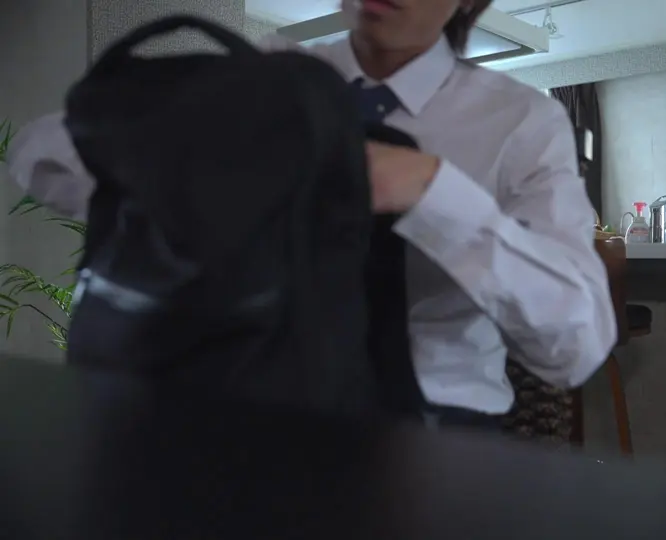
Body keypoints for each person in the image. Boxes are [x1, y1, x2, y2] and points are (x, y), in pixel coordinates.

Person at [6, 0, 616, 430]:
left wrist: (437, 196)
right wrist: (215, 172)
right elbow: (42, 154)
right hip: (246, 399)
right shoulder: (260, 73)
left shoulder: (524, 122)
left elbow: (576, 346)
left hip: (435, 427)